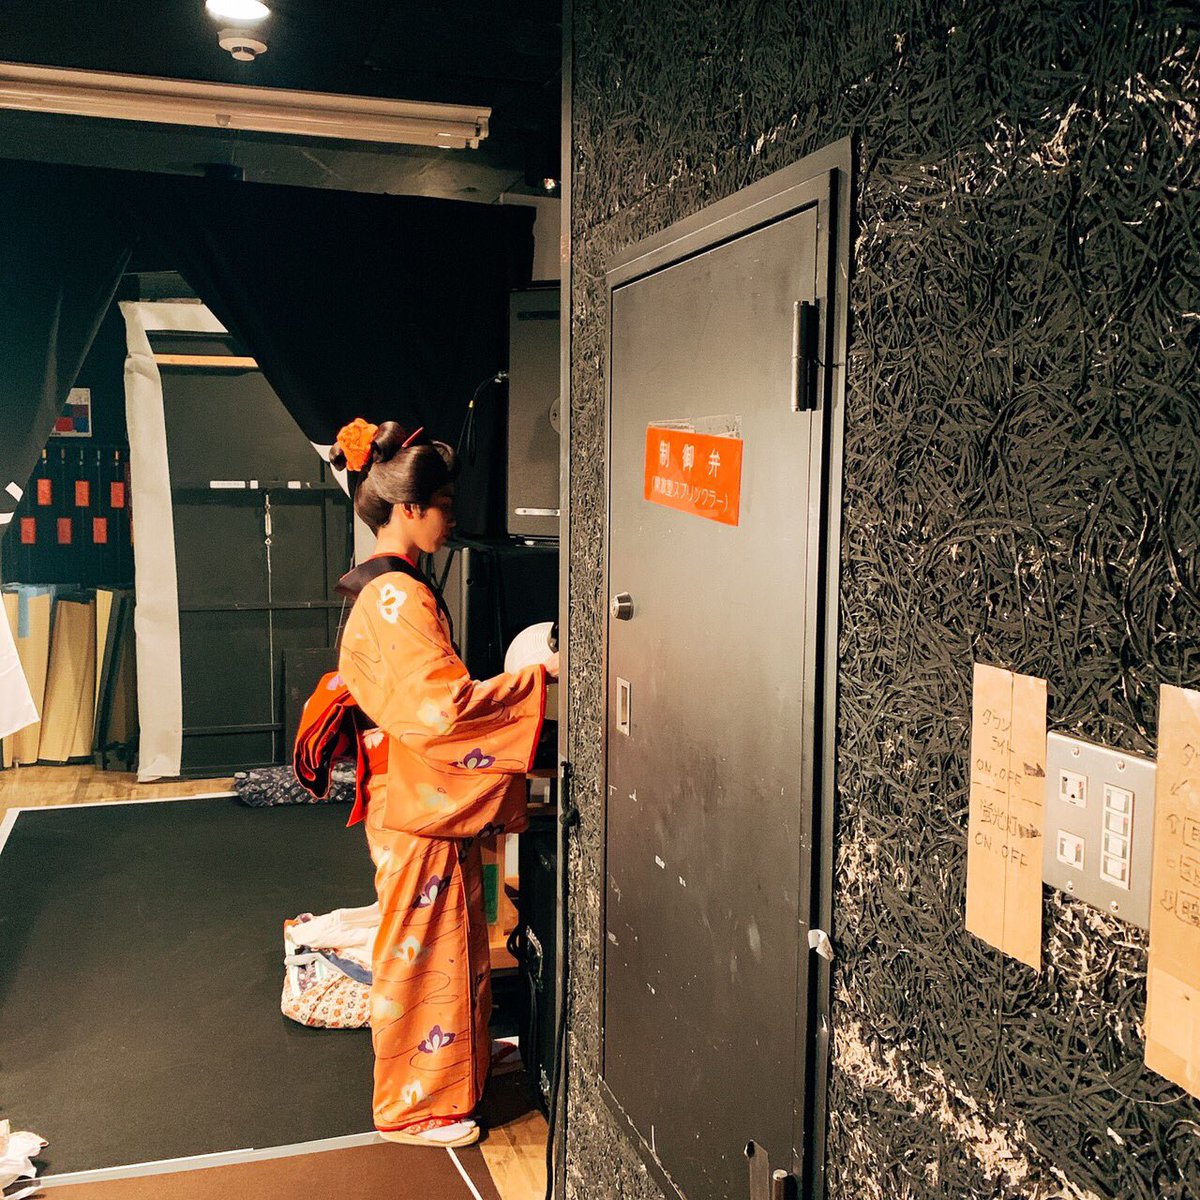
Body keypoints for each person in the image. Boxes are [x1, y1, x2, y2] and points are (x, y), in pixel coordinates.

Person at [295, 417, 557, 1148]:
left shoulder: (387, 589)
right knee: (421, 950)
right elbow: (442, 711)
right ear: (407, 509)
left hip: (416, 793)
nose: (451, 519)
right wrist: (535, 681)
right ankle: (415, 1106)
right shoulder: (397, 598)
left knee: (451, 941)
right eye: (443, 506)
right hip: (415, 799)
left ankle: (458, 1065)